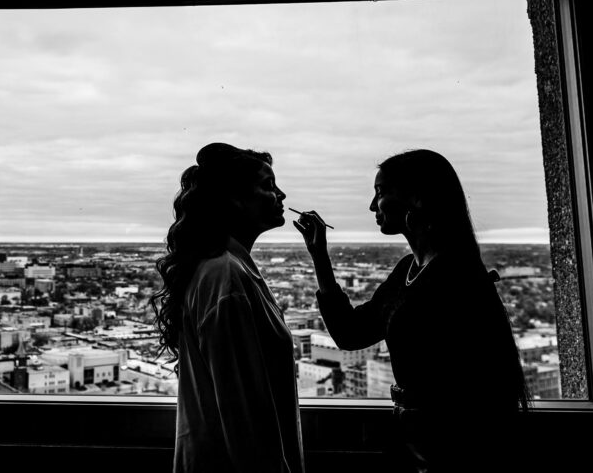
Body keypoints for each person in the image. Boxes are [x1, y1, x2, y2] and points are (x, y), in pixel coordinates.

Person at [293, 149, 530, 473]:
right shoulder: (411, 269)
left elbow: (478, 394)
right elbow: (350, 333)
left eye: (380, 192)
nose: (372, 206)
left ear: (415, 198)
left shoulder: (456, 279)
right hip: (416, 442)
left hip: (454, 451)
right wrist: (319, 255)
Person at [151, 142, 303, 473]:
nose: (282, 195)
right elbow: (245, 416)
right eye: (268, 186)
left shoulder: (221, 268)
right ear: (234, 199)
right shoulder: (227, 278)